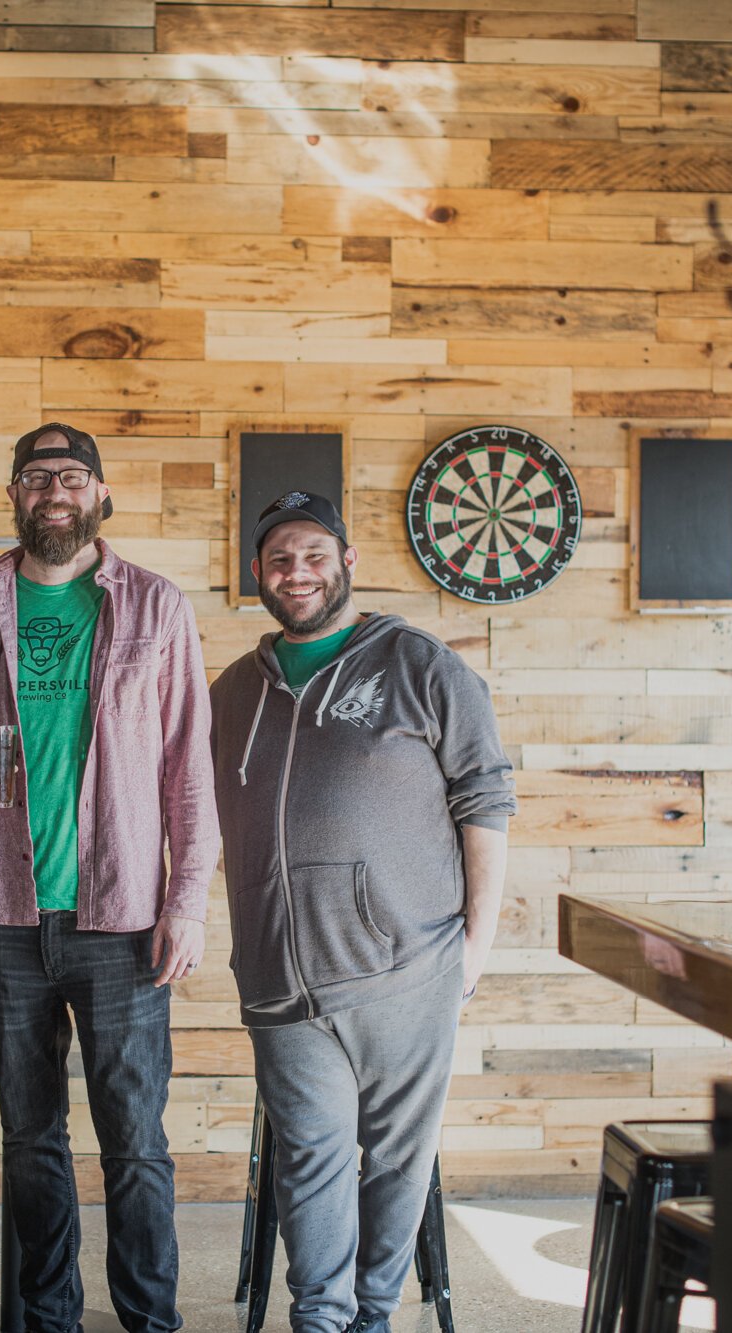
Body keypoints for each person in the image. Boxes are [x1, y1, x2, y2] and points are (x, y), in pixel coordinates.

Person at [0, 422, 218, 1333]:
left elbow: (188, 769)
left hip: (122, 916)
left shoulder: (156, 607)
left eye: (74, 476)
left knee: (132, 1139)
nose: (57, 490)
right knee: (30, 1138)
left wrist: (188, 903)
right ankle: (46, 1320)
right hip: (6, 915)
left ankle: (147, 1320)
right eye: (39, 475)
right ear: (14, 493)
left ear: (101, 494)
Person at [210, 492, 516, 1333]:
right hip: (279, 977)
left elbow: (486, 808)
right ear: (256, 575)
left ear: (348, 561)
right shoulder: (235, 689)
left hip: (406, 970)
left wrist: (473, 955)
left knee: (395, 1164)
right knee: (307, 1160)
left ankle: (373, 1314)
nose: (296, 571)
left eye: (313, 554)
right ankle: (321, 1317)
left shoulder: (420, 664)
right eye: (278, 559)